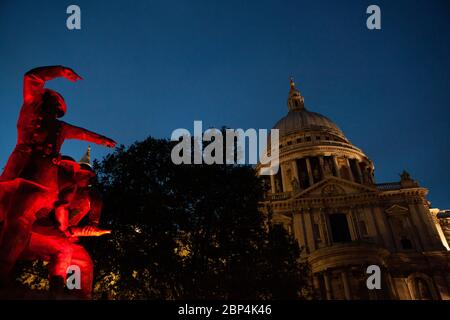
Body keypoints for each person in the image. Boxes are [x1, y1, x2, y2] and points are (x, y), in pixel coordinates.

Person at [0, 66, 116, 286]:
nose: (54, 107)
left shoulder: (60, 128)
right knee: (15, 219)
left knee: (25, 223)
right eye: (51, 101)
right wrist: (61, 71)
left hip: (40, 182)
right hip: (20, 174)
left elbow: (82, 133)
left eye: (56, 105)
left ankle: (50, 283)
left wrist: (103, 140)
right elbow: (32, 77)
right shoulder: (31, 109)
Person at [20, 155, 110, 299]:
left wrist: (87, 229)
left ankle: (78, 294)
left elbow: (92, 224)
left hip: (68, 234)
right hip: (45, 227)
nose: (83, 177)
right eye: (80, 173)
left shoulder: (92, 197)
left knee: (83, 262)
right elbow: (59, 208)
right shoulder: (63, 186)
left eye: (87, 175)